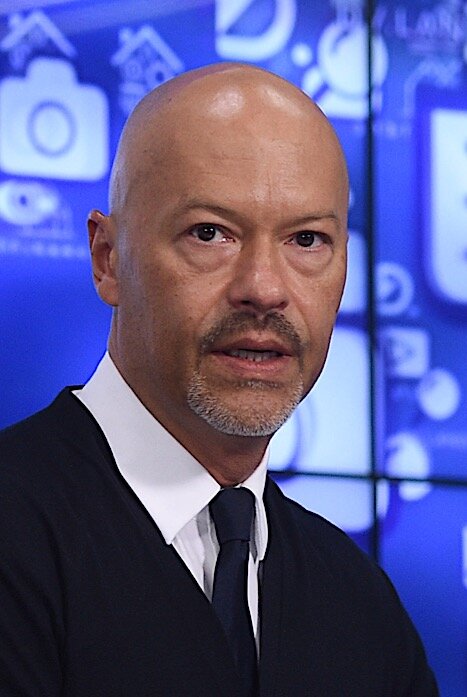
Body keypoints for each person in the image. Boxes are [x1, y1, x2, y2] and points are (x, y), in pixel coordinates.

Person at [0, 63, 438, 696]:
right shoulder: (16, 528)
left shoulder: (362, 608)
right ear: (107, 259)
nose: (264, 288)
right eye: (210, 233)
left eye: (307, 240)